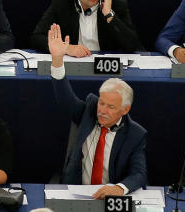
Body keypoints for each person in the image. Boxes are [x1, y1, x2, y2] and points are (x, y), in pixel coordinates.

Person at [48, 24, 147, 198]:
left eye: (111, 107)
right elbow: (65, 99)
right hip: (77, 193)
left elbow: (139, 173)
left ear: (125, 110)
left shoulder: (135, 134)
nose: (102, 110)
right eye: (102, 103)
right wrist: (57, 60)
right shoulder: (89, 111)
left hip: (109, 198)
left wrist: (119, 188)